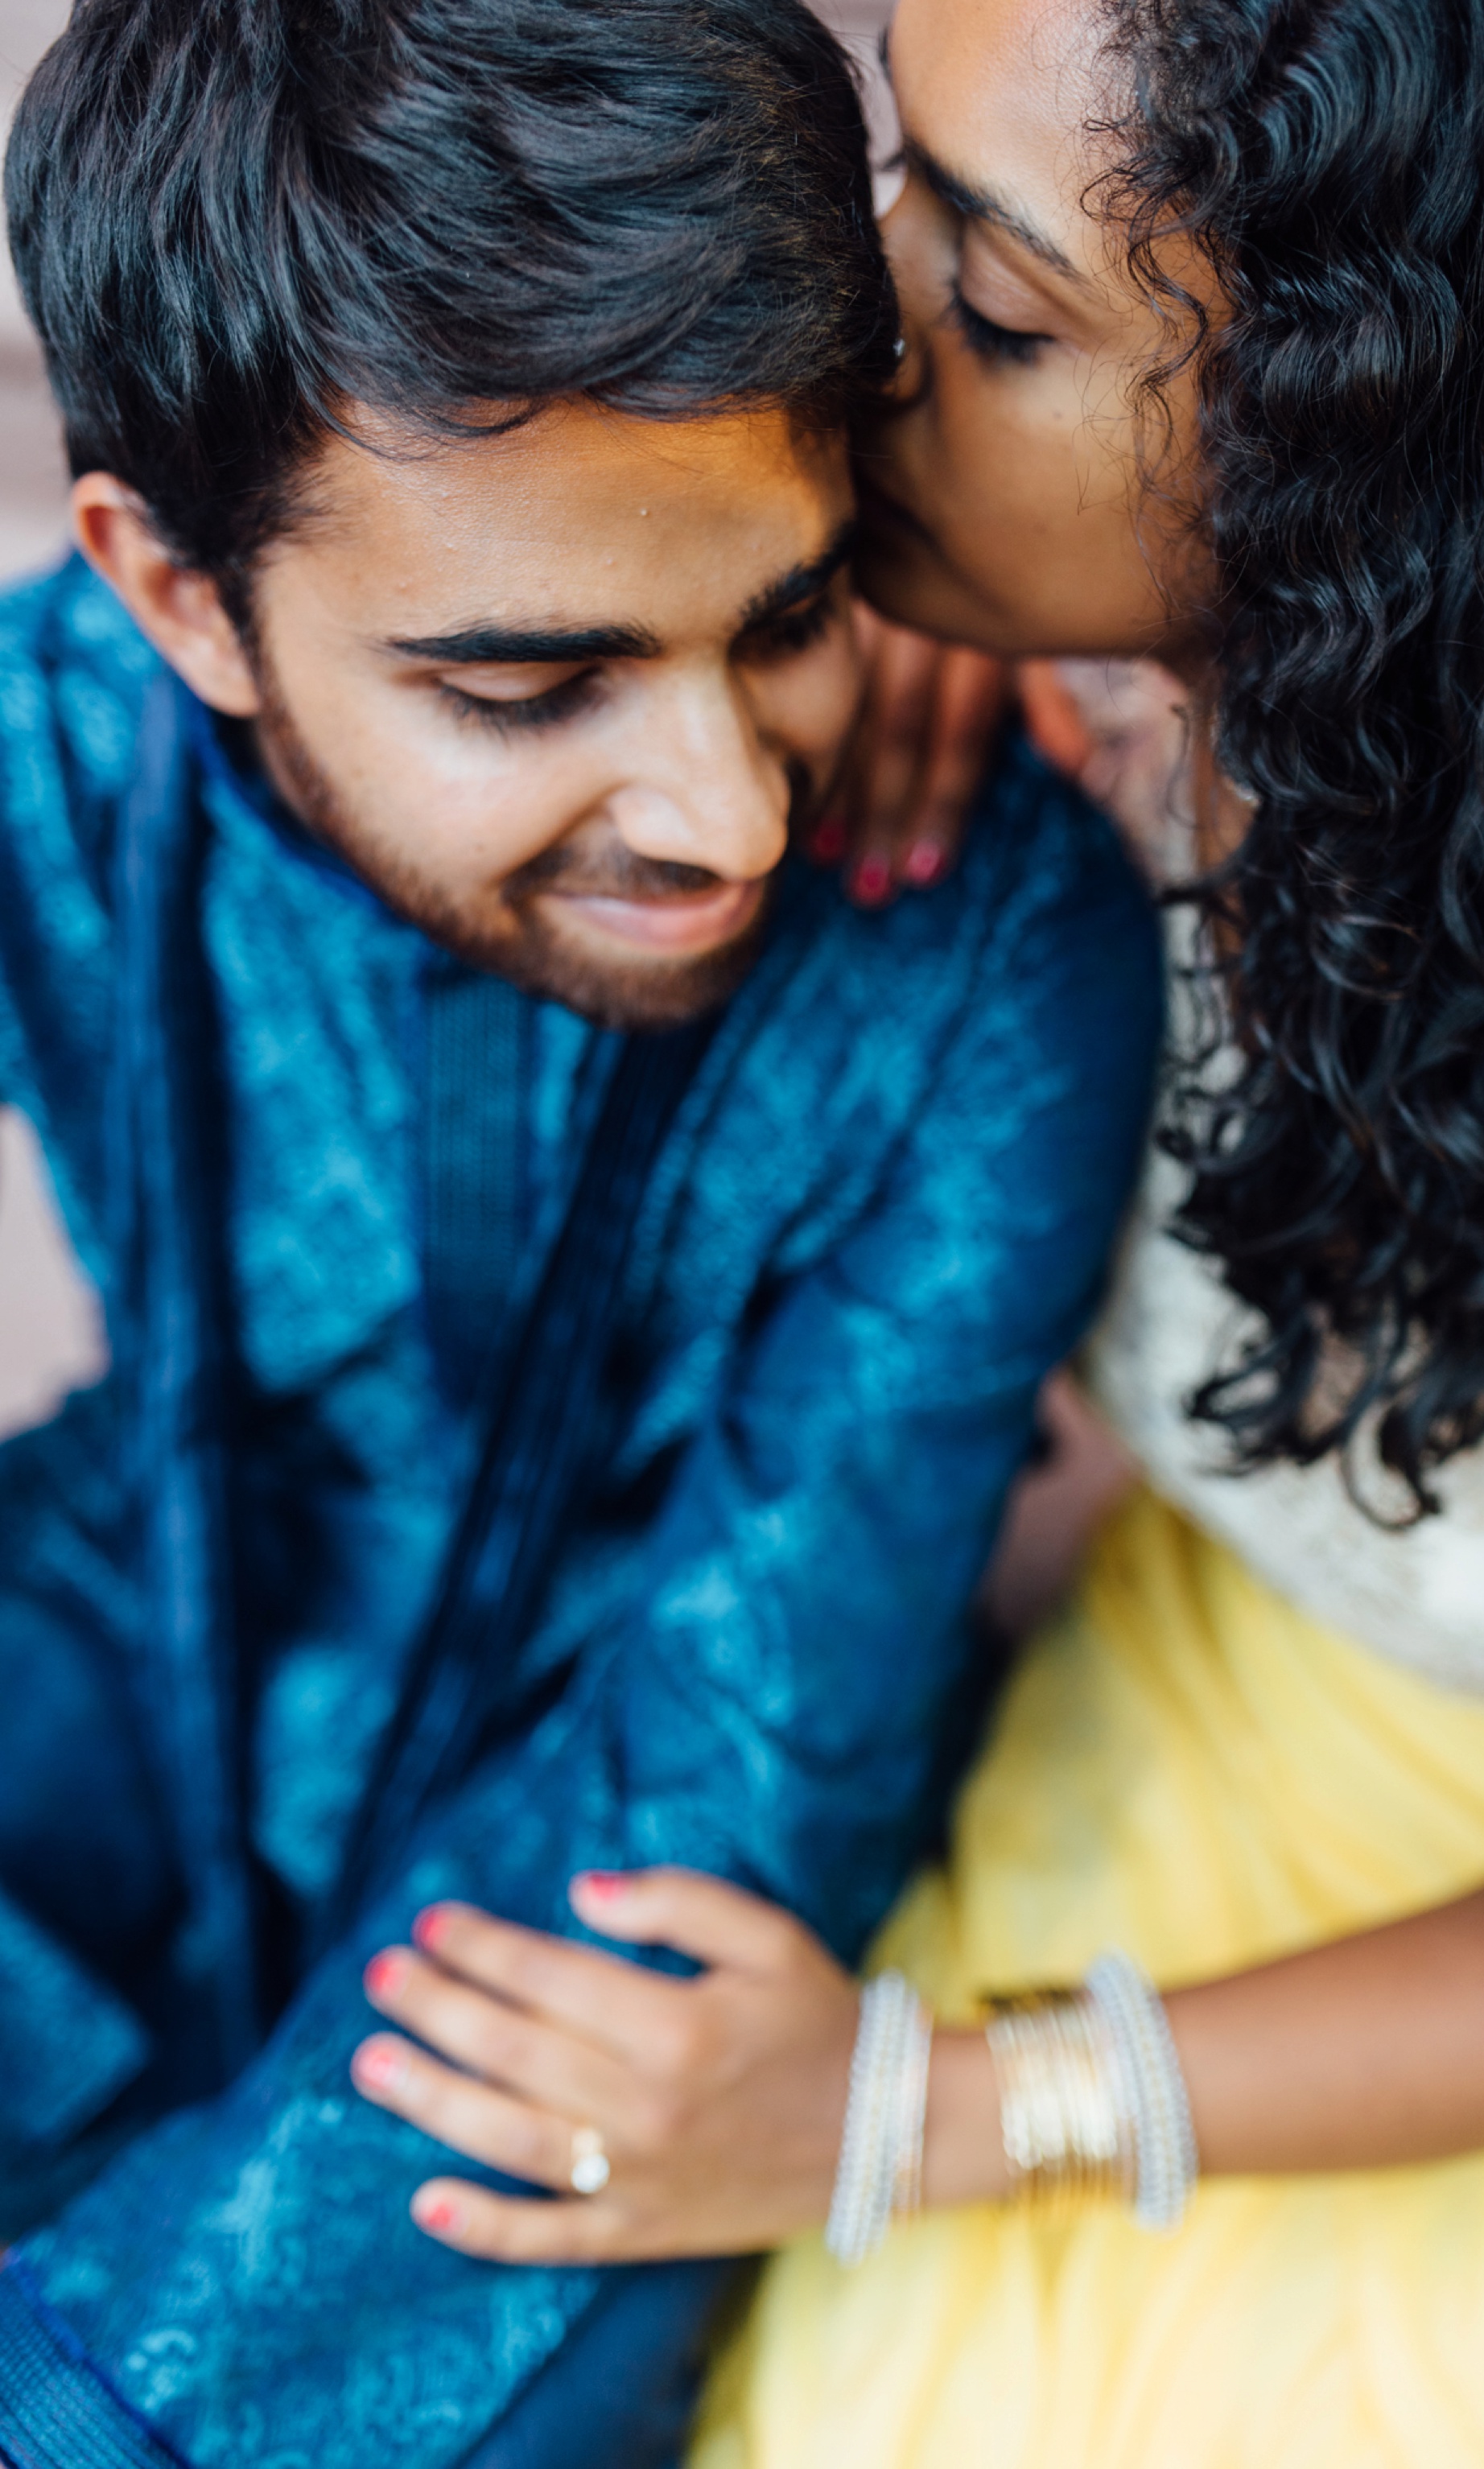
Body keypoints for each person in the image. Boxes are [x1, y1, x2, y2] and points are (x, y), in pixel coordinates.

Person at [344, 0, 1484, 2460]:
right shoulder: (1094, 684)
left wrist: (898, 2109)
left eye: (1003, 307)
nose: (861, 318)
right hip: (1192, 1676)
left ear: (1369, 450)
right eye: (897, 178)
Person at [0, 3, 1165, 2463]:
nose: (732, 812)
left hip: (654, 1840)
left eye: (786, 612)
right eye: (534, 680)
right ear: (178, 596)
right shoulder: (52, 747)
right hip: (156, 1605)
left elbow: (731, 1785)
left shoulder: (995, 953)